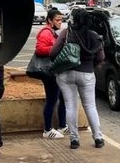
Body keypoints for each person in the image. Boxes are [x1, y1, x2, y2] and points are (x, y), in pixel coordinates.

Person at [50, 8, 105, 150]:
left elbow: (53, 52)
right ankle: (98, 137)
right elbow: (100, 57)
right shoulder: (94, 36)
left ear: (73, 20)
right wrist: (91, 64)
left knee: (70, 106)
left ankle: (74, 140)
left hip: (66, 74)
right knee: (90, 106)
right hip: (86, 74)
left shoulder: (67, 33)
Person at [35, 8, 68, 139]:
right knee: (52, 100)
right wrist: (56, 48)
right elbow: (39, 49)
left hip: (54, 71)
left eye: (61, 20)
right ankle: (47, 129)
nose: (60, 22)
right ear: (49, 20)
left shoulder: (53, 32)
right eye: (57, 20)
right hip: (49, 72)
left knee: (62, 99)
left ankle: (62, 125)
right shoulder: (46, 33)